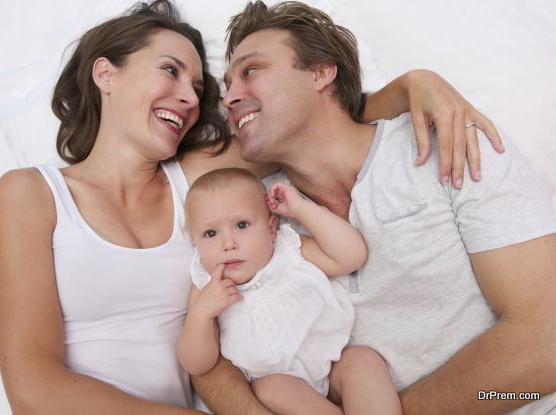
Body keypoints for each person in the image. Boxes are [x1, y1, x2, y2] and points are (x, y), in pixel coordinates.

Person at [0, 0, 502, 414]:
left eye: (195, 86)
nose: (188, 97)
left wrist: (415, 84)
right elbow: (34, 391)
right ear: (105, 73)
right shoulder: (31, 194)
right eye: (169, 70)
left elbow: (312, 118)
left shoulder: (199, 184)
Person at [190, 2, 556, 415]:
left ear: (321, 73)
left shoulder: (449, 143)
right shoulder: (247, 212)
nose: (231, 96)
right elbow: (205, 349)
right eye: (227, 83)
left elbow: (547, 346)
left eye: (251, 71)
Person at [177, 168, 401, 415]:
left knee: (363, 362)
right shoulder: (205, 285)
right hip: (279, 383)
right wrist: (200, 316)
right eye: (210, 233)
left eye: (242, 225)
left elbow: (352, 256)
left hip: (332, 362)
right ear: (195, 244)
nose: (228, 244)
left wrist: (302, 209)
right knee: (270, 390)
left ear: (271, 229)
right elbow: (197, 364)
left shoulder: (289, 248)